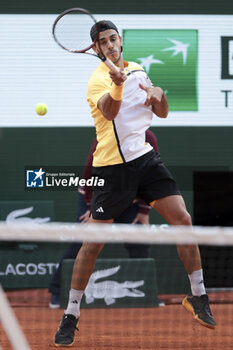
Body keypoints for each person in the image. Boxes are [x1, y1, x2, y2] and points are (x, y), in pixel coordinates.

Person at [54, 20, 216, 347]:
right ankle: (71, 313)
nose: (110, 44)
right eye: (103, 41)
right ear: (96, 49)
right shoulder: (97, 80)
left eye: (114, 38)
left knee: (183, 221)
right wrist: (115, 84)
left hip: (145, 159)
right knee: (93, 244)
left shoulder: (139, 70)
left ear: (120, 41)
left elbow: (162, 113)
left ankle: (198, 295)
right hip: (113, 170)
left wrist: (160, 95)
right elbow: (110, 112)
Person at [49, 130, 158, 308]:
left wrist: (144, 210)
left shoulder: (149, 138)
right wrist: (92, 206)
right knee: (83, 243)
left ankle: (146, 293)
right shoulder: (106, 135)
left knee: (139, 242)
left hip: (129, 201)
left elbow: (152, 174)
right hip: (96, 196)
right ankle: (57, 291)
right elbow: (89, 171)